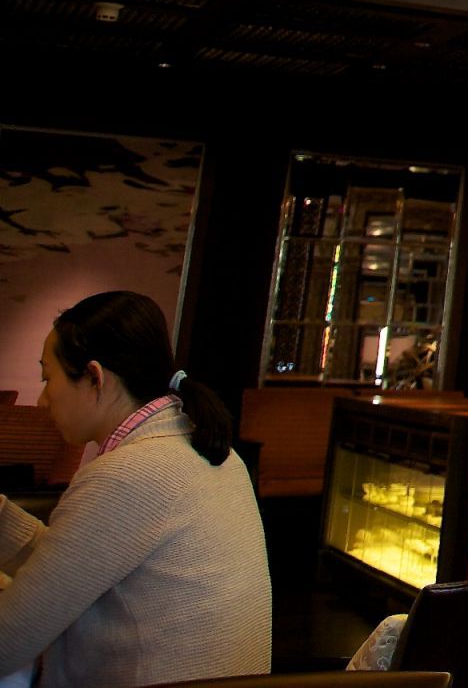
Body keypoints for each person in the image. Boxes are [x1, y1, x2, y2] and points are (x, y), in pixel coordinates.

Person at [0, 291, 271, 686]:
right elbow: (68, 572)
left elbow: (8, 642)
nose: (42, 401)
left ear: (95, 377)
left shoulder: (129, 473)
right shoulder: (207, 449)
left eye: (48, 379)